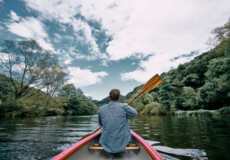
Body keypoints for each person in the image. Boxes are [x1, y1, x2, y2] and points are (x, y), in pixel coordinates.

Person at [98, 89, 138, 153]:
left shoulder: (101, 109)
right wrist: (127, 106)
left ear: (109, 97)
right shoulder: (124, 107)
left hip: (106, 142)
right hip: (123, 142)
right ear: (119, 98)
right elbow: (135, 113)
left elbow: (100, 123)